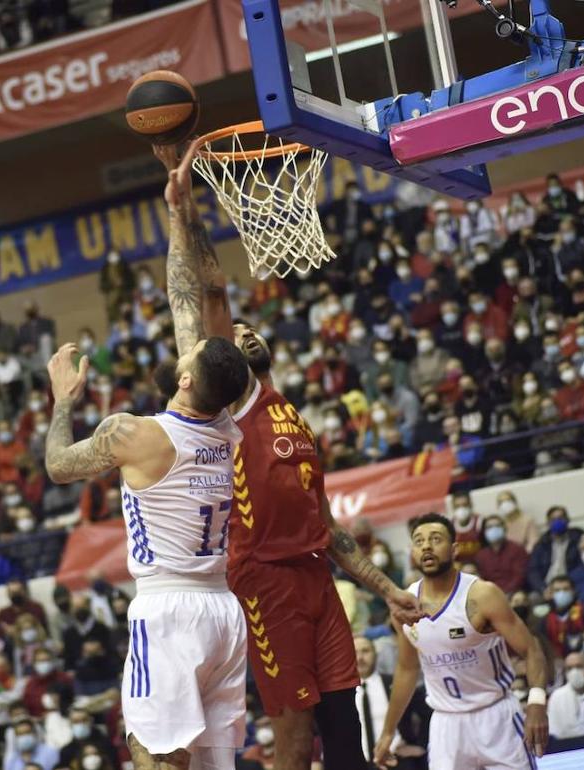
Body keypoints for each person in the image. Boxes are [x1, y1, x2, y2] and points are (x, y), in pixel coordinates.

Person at [157, 143, 422, 770]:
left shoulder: (285, 409)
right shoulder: (233, 400)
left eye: (251, 328)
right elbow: (207, 290)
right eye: (235, 331)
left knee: (345, 731)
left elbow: (323, 522)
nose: (244, 330)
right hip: (263, 581)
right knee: (295, 741)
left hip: (313, 575)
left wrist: (385, 588)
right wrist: (184, 211)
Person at [43, 332, 250, 770]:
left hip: (169, 611)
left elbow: (58, 465)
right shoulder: (227, 427)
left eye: (187, 353)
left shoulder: (131, 432)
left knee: (153, 755)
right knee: (210, 763)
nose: (180, 351)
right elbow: (210, 360)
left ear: (188, 379)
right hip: (223, 610)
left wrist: (63, 399)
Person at [374, 513, 549, 769]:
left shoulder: (482, 595)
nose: (427, 546)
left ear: (454, 549)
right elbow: (407, 669)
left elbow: (531, 649)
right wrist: (388, 731)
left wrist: (536, 703)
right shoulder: (404, 603)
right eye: (419, 541)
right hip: (446, 724)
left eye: (436, 539)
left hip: (495, 715)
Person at [353, 636, 430, 767]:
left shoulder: (395, 684)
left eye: (365, 651)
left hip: (398, 760)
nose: (360, 658)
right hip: (357, 763)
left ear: (375, 654)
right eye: (354, 653)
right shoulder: (341, 693)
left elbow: (428, 711)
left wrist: (421, 745)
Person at [547, 652, 584, 739]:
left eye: (579, 667)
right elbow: (554, 731)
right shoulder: (557, 696)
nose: (574, 672)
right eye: (569, 668)